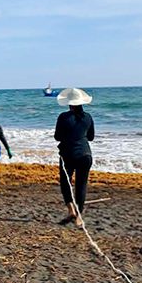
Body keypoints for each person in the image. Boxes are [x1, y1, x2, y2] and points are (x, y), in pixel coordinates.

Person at [54, 88, 94, 227]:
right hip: (85, 154)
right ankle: (79, 217)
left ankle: (71, 209)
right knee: (81, 186)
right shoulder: (88, 117)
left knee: (66, 182)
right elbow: (91, 137)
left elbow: (57, 136)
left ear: (69, 103)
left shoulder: (63, 117)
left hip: (68, 154)